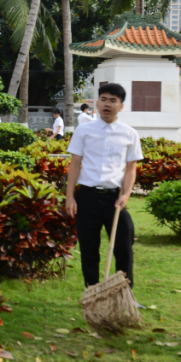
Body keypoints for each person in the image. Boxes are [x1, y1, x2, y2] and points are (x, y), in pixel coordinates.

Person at [64, 83, 143, 291]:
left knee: (123, 247)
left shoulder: (129, 134)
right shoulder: (84, 130)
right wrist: (70, 197)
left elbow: (131, 169)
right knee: (89, 249)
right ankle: (93, 293)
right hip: (87, 197)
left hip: (115, 199)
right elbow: (75, 164)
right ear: (97, 103)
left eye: (113, 101)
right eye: (104, 99)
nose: (107, 104)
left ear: (121, 106)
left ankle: (125, 294)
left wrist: (126, 195)